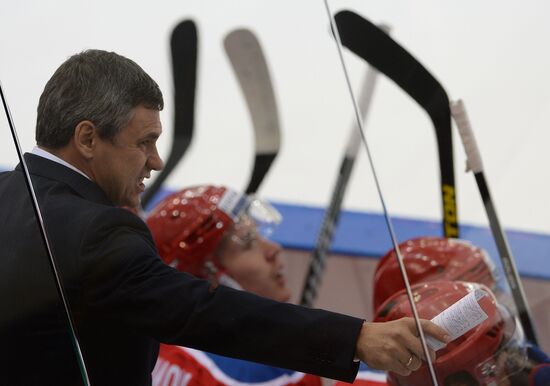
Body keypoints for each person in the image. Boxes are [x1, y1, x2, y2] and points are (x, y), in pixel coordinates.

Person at [0, 49, 450, 386]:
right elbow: (205, 312)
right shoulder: (97, 230)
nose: (156, 161)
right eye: (145, 142)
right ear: (87, 138)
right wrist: (356, 338)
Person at [146, 184, 321, 385]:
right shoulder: (269, 372)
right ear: (208, 277)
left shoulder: (147, 349)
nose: (273, 249)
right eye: (247, 243)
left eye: (259, 237)